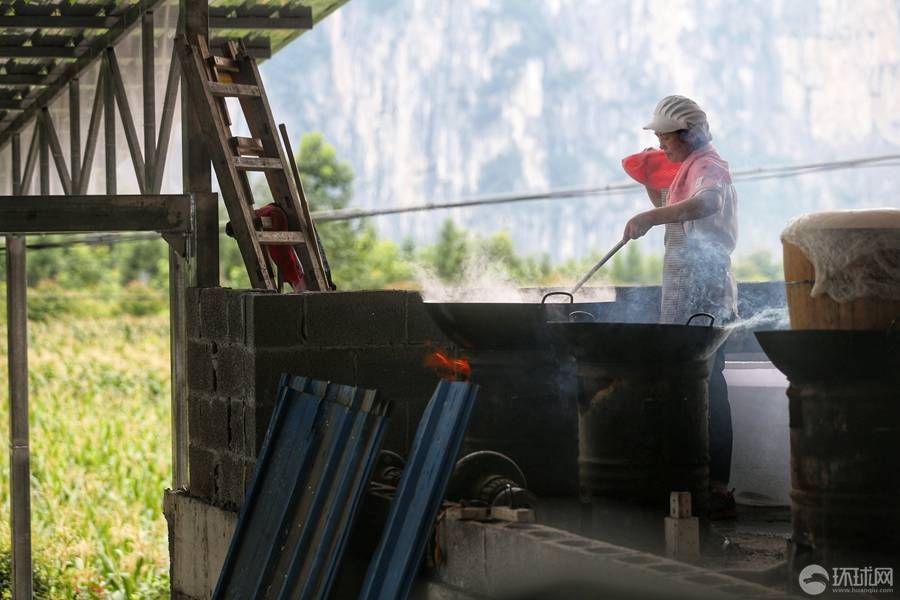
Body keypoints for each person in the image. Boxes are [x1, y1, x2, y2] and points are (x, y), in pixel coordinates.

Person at [622, 95, 739, 520]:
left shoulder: (711, 166)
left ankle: (716, 487)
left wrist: (652, 218)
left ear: (690, 135)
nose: (662, 145)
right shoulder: (689, 168)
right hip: (683, 287)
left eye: (665, 139)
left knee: (708, 387)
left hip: (705, 291)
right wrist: (652, 187)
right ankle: (689, 480)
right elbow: (673, 210)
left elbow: (707, 204)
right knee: (688, 386)